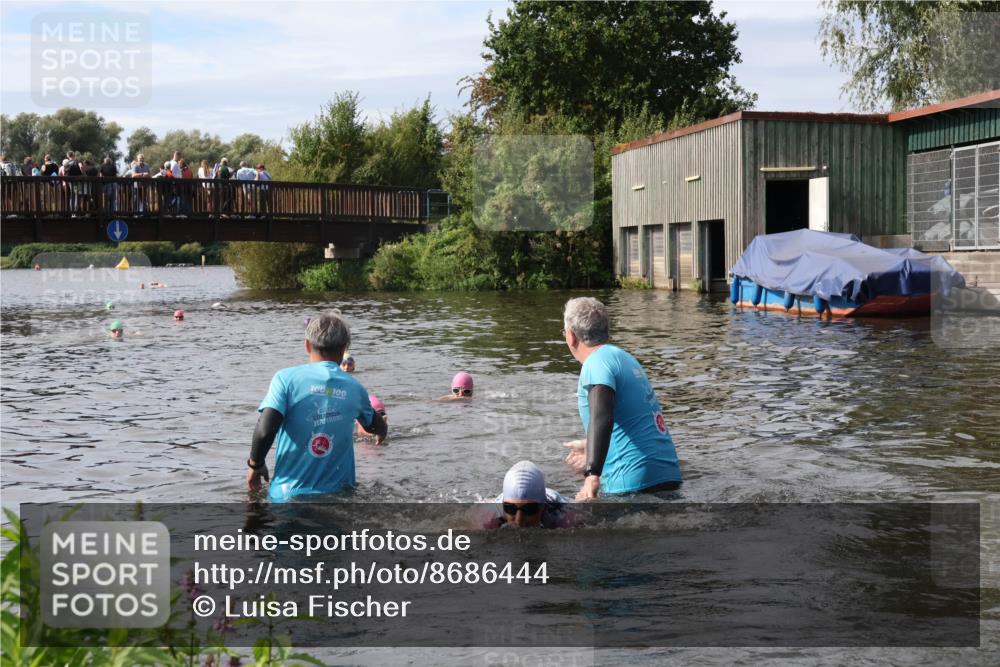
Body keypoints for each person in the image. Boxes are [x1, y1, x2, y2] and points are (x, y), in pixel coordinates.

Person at [246, 311, 388, 501]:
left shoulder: (285, 379)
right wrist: (382, 430)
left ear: (307, 345)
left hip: (288, 496)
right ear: (344, 347)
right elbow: (374, 425)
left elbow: (265, 430)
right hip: (339, 498)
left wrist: (255, 465)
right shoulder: (355, 388)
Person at [561, 297, 682, 500]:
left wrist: (592, 474)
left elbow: (602, 416)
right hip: (668, 474)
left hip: (631, 482)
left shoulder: (595, 364)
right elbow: (634, 420)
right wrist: (591, 444)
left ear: (571, 336)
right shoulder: (624, 358)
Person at [485, 461, 573, 529]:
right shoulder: (491, 516)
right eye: (511, 509)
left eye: (529, 509)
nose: (519, 520)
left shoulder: (562, 514)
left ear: (543, 506)